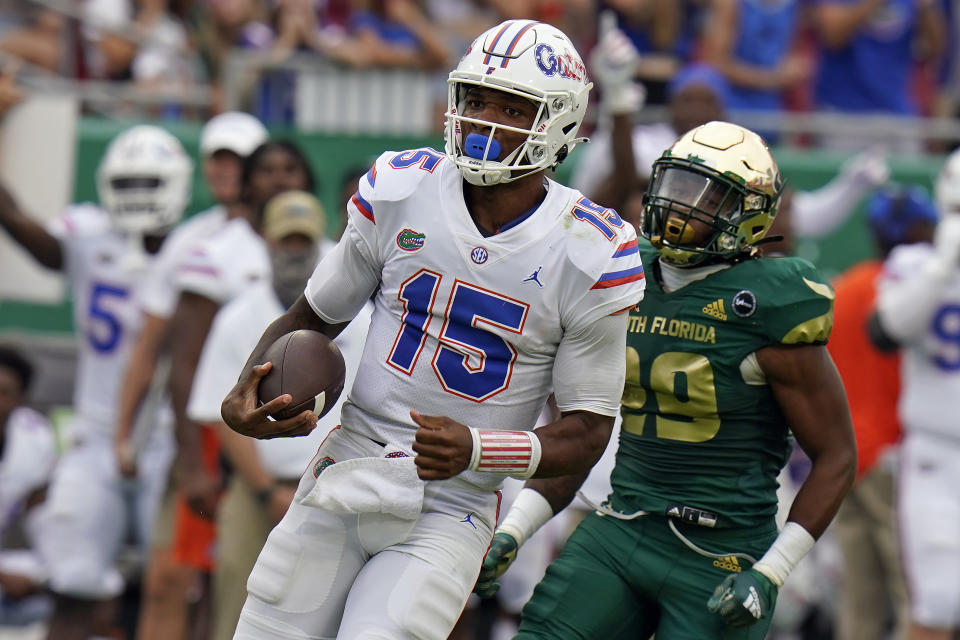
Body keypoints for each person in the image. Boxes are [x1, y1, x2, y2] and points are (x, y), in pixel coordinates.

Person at [220, 19, 645, 640]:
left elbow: (586, 430)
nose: (484, 120)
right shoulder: (403, 188)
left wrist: (478, 449)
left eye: (511, 106)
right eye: (476, 100)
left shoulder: (588, 249)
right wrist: (247, 387)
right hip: (345, 467)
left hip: (452, 505)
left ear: (557, 121)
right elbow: (311, 318)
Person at [479, 120, 858, 639]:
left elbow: (837, 455)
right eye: (677, 186)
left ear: (747, 215)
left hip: (720, 553)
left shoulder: (768, 305)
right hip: (622, 524)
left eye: (707, 195)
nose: (682, 205)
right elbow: (582, 431)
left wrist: (772, 571)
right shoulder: (626, 271)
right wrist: (514, 530)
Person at [0, 124, 193, 640]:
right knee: (72, 582)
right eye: (127, 185)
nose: (136, 199)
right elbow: (22, 226)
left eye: (149, 185)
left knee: (178, 584)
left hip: (170, 441)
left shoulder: (196, 246)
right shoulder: (88, 232)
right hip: (95, 438)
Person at [184, 190, 372, 640]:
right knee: (237, 598)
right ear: (266, 242)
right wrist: (267, 490)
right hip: (257, 489)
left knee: (331, 613)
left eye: (302, 244)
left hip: (338, 483)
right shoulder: (238, 316)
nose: (294, 254)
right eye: (285, 243)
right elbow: (221, 412)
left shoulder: (359, 317)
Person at [113, 110, 267, 640]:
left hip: (262, 442)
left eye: (239, 160)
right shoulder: (197, 243)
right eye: (217, 158)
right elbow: (158, 351)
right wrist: (124, 433)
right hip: (201, 435)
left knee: (234, 586)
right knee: (172, 577)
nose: (227, 171)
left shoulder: (293, 242)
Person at [830, 184, 937, 640]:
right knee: (916, 594)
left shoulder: (845, 287)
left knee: (860, 598)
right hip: (895, 458)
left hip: (846, 456)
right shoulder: (918, 290)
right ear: (915, 229)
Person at [871, 148, 960, 640]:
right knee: (938, 602)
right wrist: (943, 265)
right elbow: (885, 329)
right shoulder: (917, 263)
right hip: (935, 454)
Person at [0, 345, 57, 629]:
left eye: (3, 392)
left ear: (20, 399)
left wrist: (43, 578)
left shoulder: (34, 439)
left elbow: (41, 515)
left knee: (73, 580)